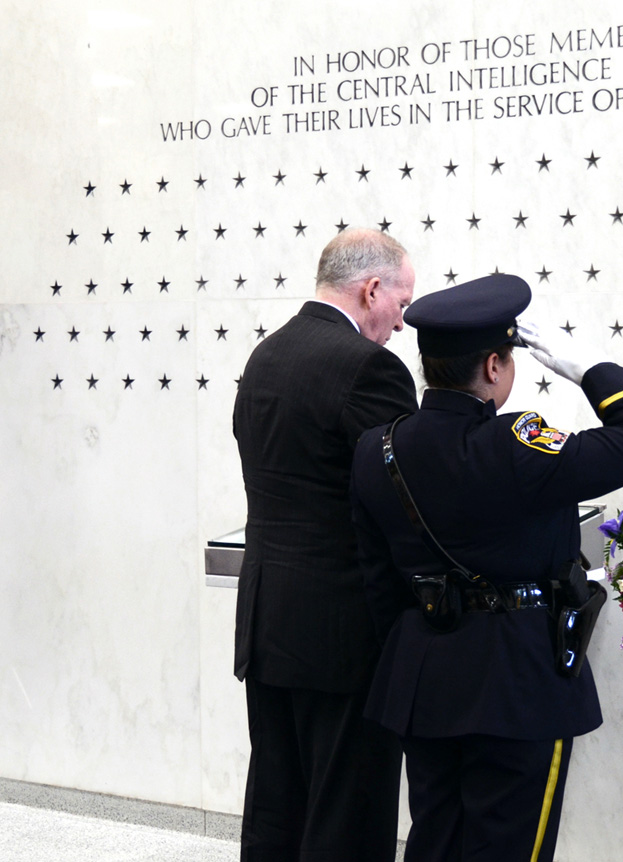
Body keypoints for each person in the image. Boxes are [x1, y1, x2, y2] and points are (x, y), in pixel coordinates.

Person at [350, 273, 623, 862]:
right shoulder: (520, 445)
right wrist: (591, 370)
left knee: (435, 839)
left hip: (423, 676)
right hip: (518, 681)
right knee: (512, 846)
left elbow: (378, 582)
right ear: (496, 366)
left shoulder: (377, 449)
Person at [232, 227, 418, 861]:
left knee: (276, 807)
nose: (401, 322)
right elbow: (403, 501)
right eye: (401, 303)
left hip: (268, 620)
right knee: (348, 816)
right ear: (371, 289)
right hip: (344, 635)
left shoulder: (267, 354)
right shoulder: (370, 367)